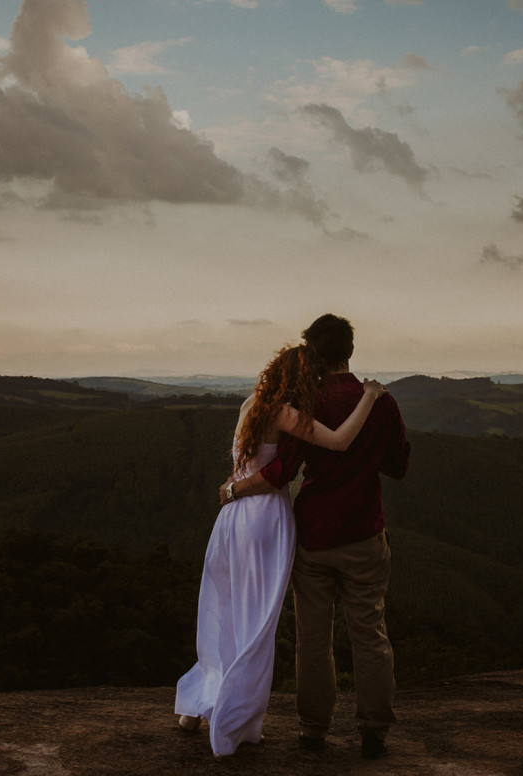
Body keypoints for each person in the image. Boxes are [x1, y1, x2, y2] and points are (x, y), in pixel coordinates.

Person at [175, 343, 388, 759]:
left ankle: (197, 708)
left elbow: (244, 469)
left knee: (225, 613)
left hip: (232, 520)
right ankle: (232, 722)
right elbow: (341, 442)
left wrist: (234, 489)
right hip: (264, 521)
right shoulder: (286, 413)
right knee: (257, 624)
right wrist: (370, 396)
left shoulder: (251, 403)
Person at [219, 314, 409, 760]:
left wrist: (234, 488)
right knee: (370, 633)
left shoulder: (306, 401)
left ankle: (313, 731)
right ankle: (374, 731)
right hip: (364, 533)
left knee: (312, 638)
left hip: (314, 535)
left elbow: (284, 469)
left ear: (312, 353)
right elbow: (398, 466)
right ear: (349, 352)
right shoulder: (380, 402)